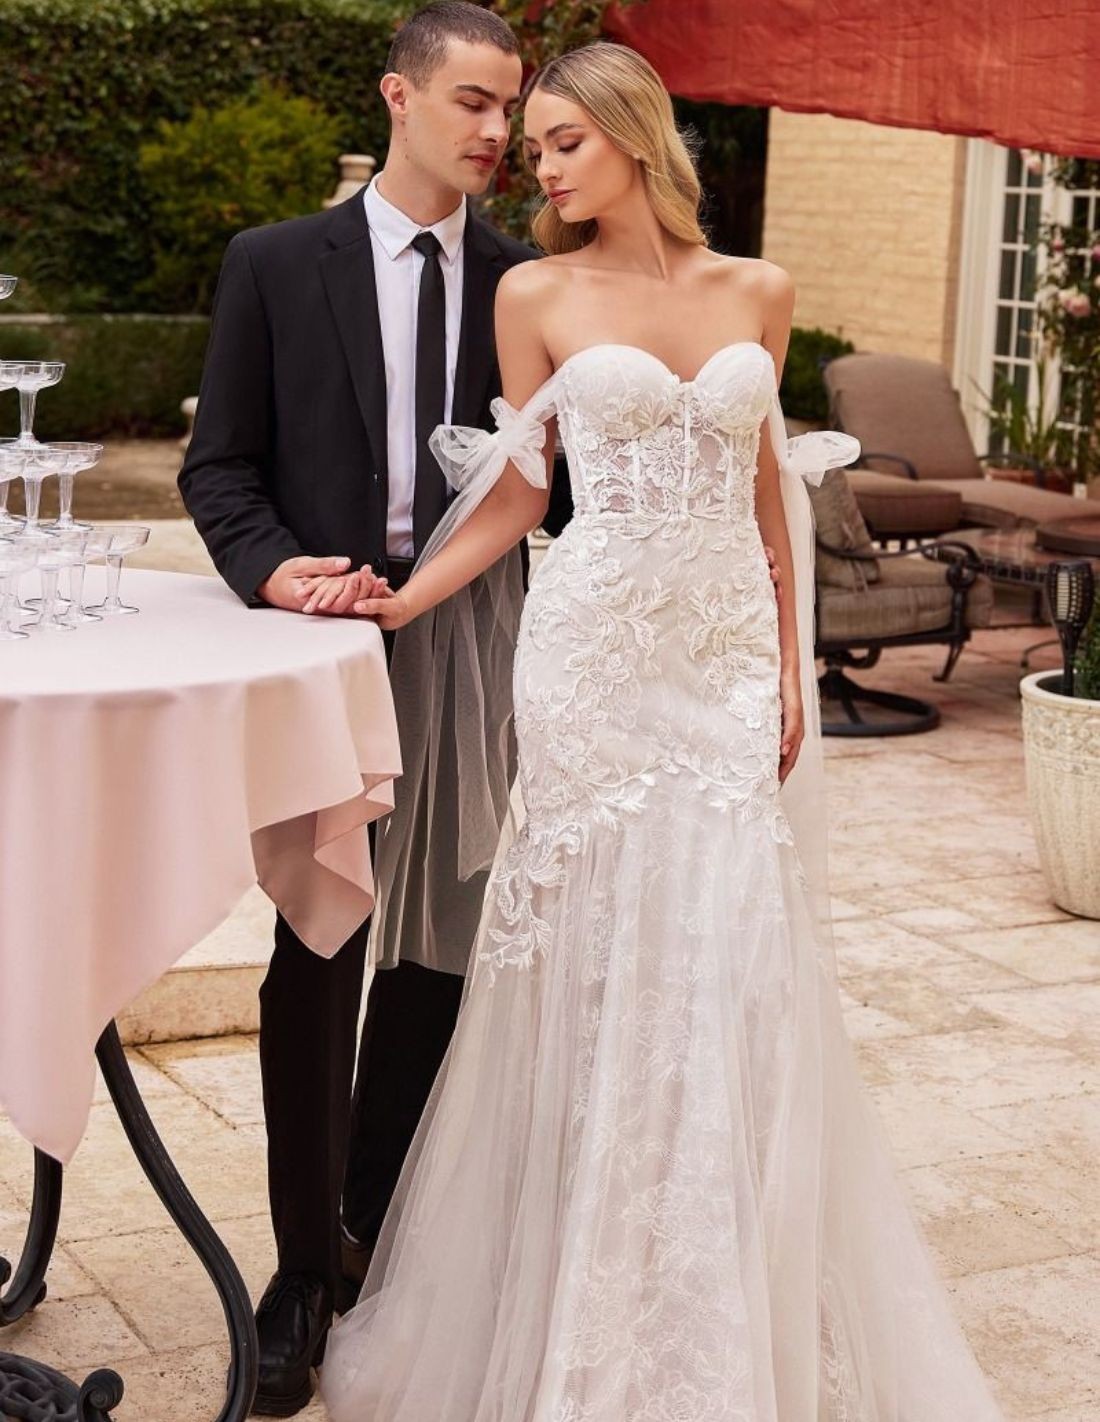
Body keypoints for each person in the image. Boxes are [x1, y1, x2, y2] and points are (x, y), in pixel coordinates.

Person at [320, 40, 1009, 1422]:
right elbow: (521, 498)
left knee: (728, 940)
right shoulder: (534, 293)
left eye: (564, 141)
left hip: (724, 656)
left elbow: (763, 489)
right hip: (592, 657)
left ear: (634, 135)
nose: (541, 168)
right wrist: (402, 598)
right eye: (534, 147)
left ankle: (714, 1275)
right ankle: (585, 1284)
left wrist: (791, 667)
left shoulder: (759, 289)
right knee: (599, 942)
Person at [178, 4, 574, 1413]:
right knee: (321, 938)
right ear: (398, 97)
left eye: (509, 109)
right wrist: (275, 566)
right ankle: (299, 1270)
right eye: (472, 102)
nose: (496, 133)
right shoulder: (275, 263)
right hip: (323, 651)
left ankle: (376, 1229)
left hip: (475, 650)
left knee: (440, 951)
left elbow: (558, 493)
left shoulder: (530, 283)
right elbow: (220, 468)